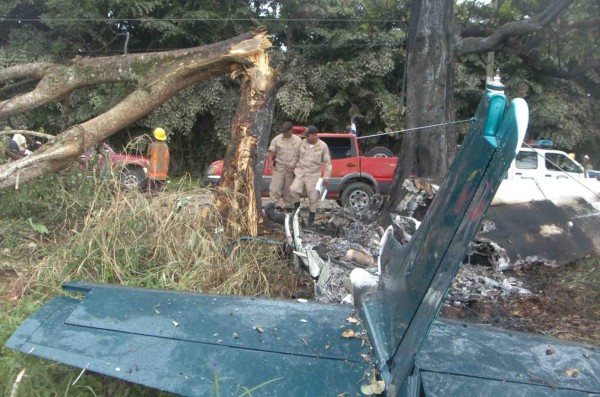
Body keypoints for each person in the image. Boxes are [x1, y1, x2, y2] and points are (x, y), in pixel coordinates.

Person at [289, 125, 332, 227]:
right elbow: (297, 156)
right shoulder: (303, 142)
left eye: (307, 136)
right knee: (293, 190)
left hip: (313, 175)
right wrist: (292, 165)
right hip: (301, 172)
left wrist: (326, 177)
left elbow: (328, 164)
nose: (306, 138)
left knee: (313, 199)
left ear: (314, 135)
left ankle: (310, 223)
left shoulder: (323, 146)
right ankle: (297, 212)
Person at [267, 121, 302, 210]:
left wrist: (294, 164)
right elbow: (271, 152)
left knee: (289, 190)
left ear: (291, 130)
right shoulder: (277, 139)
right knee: (275, 187)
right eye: (284, 132)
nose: (285, 133)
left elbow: (300, 155)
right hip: (279, 166)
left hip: (291, 169)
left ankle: (287, 207)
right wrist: (270, 163)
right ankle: (274, 205)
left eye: (287, 131)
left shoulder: (298, 140)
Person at [146, 127, 170, 193]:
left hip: (153, 171)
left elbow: (148, 155)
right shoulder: (166, 146)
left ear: (155, 136)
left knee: (150, 190)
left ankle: (150, 199)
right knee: (161, 191)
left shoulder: (153, 145)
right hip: (163, 172)